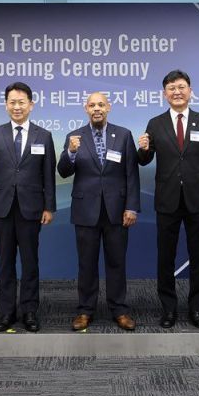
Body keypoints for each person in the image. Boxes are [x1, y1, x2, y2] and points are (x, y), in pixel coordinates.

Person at [137, 69, 199, 329]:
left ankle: (196, 308)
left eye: (181, 87)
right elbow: (144, 160)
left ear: (190, 91)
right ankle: (169, 308)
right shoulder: (155, 123)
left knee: (198, 256)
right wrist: (142, 149)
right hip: (167, 200)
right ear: (164, 94)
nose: (177, 92)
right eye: (171, 88)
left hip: (198, 199)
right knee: (166, 257)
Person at [57, 92, 140, 331]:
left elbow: (131, 173)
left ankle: (119, 310)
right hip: (86, 210)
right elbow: (63, 171)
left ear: (108, 107)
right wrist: (71, 152)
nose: (96, 109)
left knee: (117, 263)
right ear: (86, 109)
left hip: (117, 210)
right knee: (86, 264)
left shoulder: (123, 135)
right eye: (92, 105)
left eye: (101, 105)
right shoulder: (74, 137)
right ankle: (85, 311)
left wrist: (131, 206)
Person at [0, 81, 56, 333]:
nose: (17, 106)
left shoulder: (43, 135)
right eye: (12, 102)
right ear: (6, 105)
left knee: (30, 261)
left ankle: (29, 311)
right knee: (5, 262)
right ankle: (7, 312)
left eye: (21, 102)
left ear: (31, 105)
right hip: (2, 207)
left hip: (31, 207)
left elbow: (48, 175)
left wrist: (49, 207)